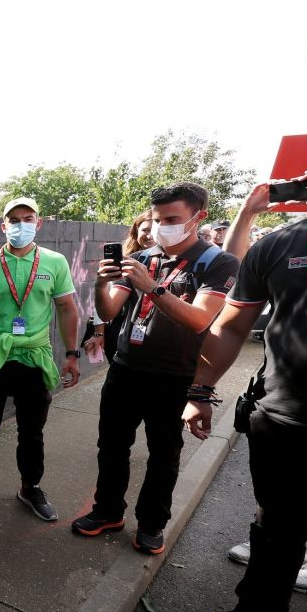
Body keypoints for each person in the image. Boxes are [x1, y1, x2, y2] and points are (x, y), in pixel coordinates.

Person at [185, 129, 307, 612]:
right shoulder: (279, 246)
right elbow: (230, 326)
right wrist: (201, 391)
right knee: (278, 525)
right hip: (288, 418)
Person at [73, 183, 238, 554]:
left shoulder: (217, 262)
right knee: (111, 446)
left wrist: (152, 288)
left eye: (172, 219)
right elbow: (109, 311)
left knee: (164, 454)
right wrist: (101, 284)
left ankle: (151, 524)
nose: (162, 227)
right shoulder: (142, 257)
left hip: (175, 377)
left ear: (199, 217)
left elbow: (200, 319)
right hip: (126, 370)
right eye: (159, 219)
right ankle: (108, 511)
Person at [220, 181, 307, 595]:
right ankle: (271, 552)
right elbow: (234, 274)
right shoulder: (285, 242)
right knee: (281, 499)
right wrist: (249, 211)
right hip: (287, 404)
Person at [0, 197, 80, 521]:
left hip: (34, 357)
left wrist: (71, 354)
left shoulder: (55, 262)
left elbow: (67, 309)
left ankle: (30, 487)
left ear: (38, 223)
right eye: (14, 220)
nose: (21, 224)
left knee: (32, 431)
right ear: (3, 226)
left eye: (27, 218)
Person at [85, 211, 155, 363]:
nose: (150, 235)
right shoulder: (122, 260)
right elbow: (105, 300)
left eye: (154, 229)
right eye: (145, 230)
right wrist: (98, 333)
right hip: (120, 329)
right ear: (136, 232)